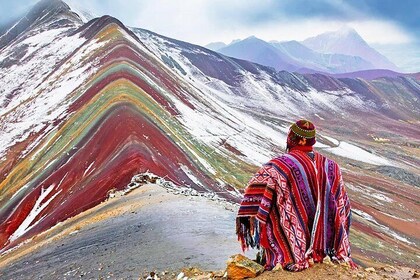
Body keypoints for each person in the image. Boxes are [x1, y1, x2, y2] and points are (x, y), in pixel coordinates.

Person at [236, 119, 354, 271]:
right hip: (326, 244)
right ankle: (321, 250)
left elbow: (256, 193)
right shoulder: (332, 166)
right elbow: (342, 205)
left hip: (293, 243)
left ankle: (290, 250)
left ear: (291, 139)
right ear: (312, 140)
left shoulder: (278, 166)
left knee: (276, 206)